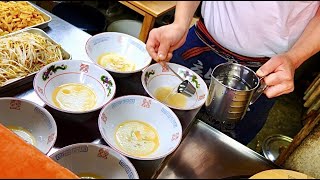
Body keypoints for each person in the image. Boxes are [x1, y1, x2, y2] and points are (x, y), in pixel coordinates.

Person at [146, 1, 320, 145]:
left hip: (265, 70)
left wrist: (294, 57)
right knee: (158, 120)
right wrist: (180, 23)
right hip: (200, 42)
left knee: (217, 146)